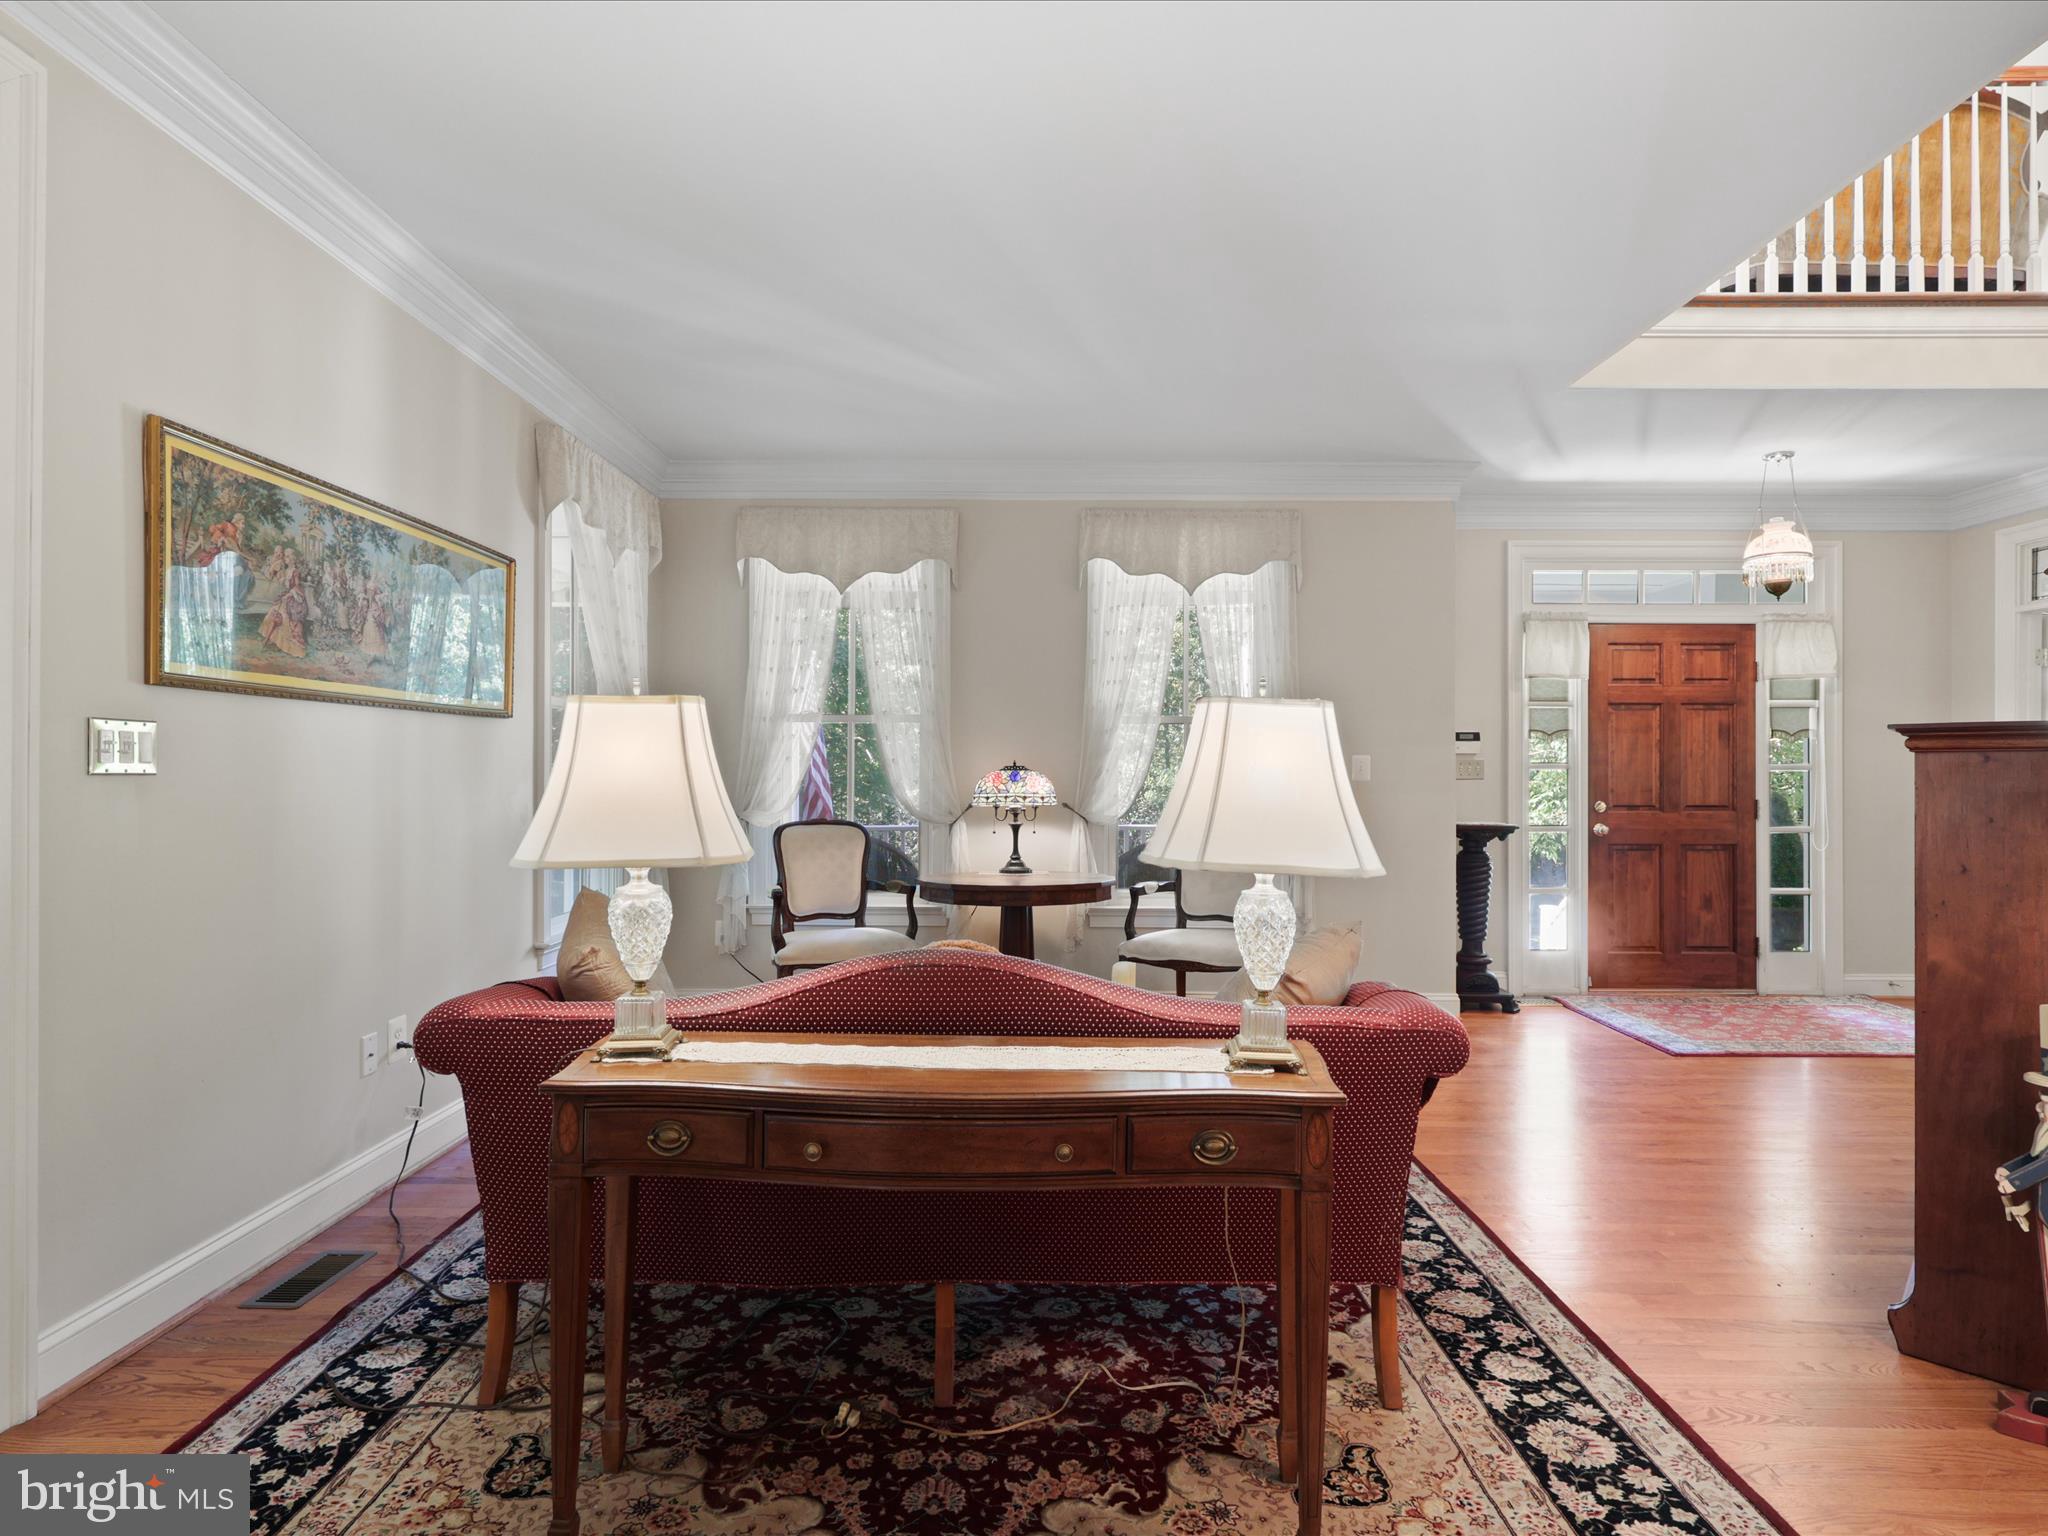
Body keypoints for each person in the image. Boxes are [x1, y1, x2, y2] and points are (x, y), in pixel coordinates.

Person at [258, 550, 309, 658]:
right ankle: (271, 638)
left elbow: (297, 587)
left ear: (291, 559)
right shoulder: (286, 570)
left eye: (286, 557)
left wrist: (289, 594)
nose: (285, 559)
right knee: (273, 612)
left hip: (295, 599)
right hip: (287, 596)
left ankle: (286, 644)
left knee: (284, 616)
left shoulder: (295, 571)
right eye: (285, 556)